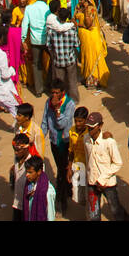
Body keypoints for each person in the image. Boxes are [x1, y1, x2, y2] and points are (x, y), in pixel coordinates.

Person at [83, 111, 125, 221]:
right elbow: (88, 160)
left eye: (92, 127)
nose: (89, 130)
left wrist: (103, 179)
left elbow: (118, 163)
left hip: (107, 183)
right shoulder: (86, 139)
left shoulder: (109, 142)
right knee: (93, 214)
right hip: (92, 182)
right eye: (88, 127)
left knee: (115, 210)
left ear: (100, 126)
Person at [42, 82, 76, 217]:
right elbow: (45, 121)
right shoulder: (47, 102)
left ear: (63, 92)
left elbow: (62, 123)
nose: (54, 95)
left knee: (62, 171)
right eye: (53, 92)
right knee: (60, 168)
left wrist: (57, 111)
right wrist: (41, 137)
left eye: (57, 93)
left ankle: (61, 203)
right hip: (54, 142)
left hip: (65, 142)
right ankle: (67, 190)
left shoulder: (69, 104)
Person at [21, 154, 56, 221]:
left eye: (30, 172)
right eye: (26, 172)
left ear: (39, 171)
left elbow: (50, 216)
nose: (27, 175)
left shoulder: (47, 192)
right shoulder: (29, 183)